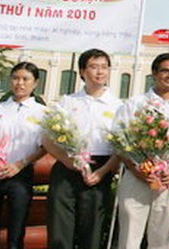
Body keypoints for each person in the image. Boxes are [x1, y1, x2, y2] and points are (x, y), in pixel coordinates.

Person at [114, 53, 169, 249]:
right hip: (137, 175)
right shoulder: (134, 104)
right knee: (130, 235)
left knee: (161, 236)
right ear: (154, 73)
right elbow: (119, 142)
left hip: (168, 178)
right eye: (165, 71)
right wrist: (137, 169)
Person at [44, 48, 122, 249]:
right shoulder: (67, 102)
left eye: (104, 67)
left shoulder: (118, 106)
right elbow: (47, 139)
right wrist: (66, 160)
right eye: (94, 67)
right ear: (81, 71)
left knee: (93, 229)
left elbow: (122, 147)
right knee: (60, 228)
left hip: (100, 170)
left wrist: (104, 171)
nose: (100, 72)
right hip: (67, 167)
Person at [0, 62, 46, 249]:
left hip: (21, 174)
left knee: (16, 235)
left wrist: (20, 164)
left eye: (26, 79)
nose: (20, 83)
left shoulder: (43, 113)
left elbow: (45, 147)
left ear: (35, 83)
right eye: (16, 78)